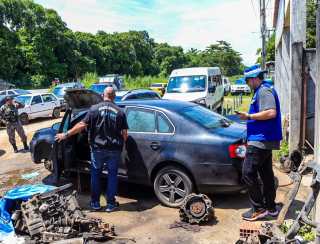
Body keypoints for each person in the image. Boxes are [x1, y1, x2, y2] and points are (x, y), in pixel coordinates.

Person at [55, 87, 128, 212]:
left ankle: (95, 203)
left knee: (95, 176)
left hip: (97, 150)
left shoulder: (93, 109)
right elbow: (125, 134)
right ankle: (111, 204)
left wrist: (66, 134)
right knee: (112, 176)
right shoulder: (120, 112)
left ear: (102, 95)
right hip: (114, 150)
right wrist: (121, 144)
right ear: (114, 96)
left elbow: (82, 125)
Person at [237, 64, 282, 221]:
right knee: (266, 174)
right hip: (264, 139)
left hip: (261, 140)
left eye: (248, 81)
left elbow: (271, 112)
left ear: (255, 78)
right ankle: (270, 207)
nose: (247, 84)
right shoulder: (261, 90)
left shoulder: (264, 90)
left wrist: (248, 116)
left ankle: (258, 209)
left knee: (248, 173)